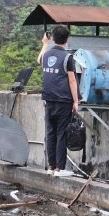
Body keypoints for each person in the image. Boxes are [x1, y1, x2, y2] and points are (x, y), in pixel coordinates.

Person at [37, 25, 79, 177]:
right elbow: (72, 80)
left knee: (51, 134)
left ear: (53, 38)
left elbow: (39, 59)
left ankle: (51, 166)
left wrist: (44, 44)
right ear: (67, 40)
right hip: (63, 100)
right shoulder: (68, 57)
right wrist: (76, 101)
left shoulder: (46, 55)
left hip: (48, 99)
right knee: (61, 134)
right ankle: (59, 169)